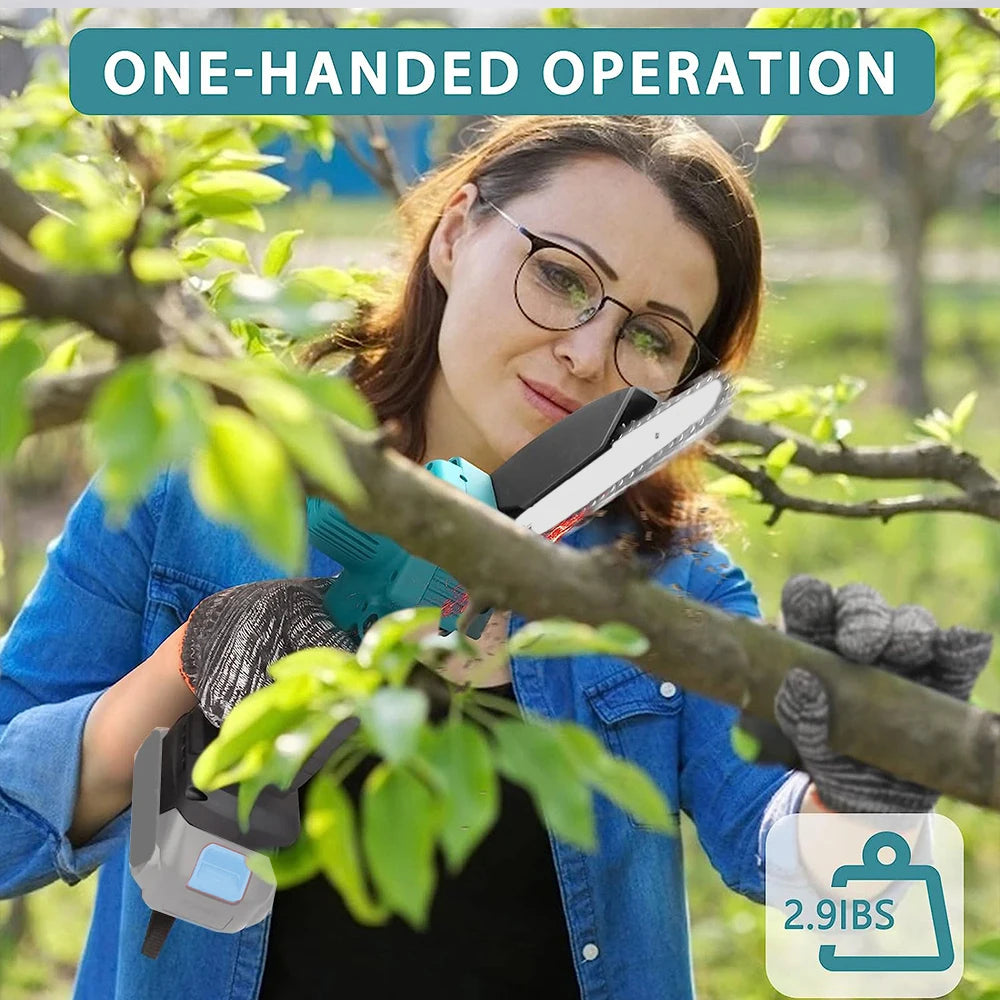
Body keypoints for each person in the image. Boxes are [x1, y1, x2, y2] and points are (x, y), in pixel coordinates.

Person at [0, 115, 990, 1000]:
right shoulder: (196, 487)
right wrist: (193, 664)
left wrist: (865, 792)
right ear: (456, 230)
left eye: (651, 336)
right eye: (563, 276)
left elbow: (799, 872)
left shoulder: (665, 582)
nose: (588, 351)